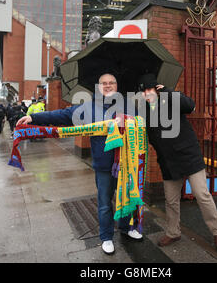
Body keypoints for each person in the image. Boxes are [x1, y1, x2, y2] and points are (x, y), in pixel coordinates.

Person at [16, 73, 142, 255]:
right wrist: (34, 119)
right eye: (104, 83)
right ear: (99, 87)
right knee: (105, 203)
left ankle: (126, 228)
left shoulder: (128, 106)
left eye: (111, 83)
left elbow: (141, 125)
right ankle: (106, 237)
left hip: (125, 164)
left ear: (116, 86)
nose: (108, 86)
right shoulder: (89, 107)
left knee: (126, 197)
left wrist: (131, 122)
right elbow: (62, 115)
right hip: (104, 166)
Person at [137, 73, 217, 251]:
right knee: (171, 200)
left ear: (157, 89)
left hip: (189, 156)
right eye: (143, 91)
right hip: (169, 162)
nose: (147, 94)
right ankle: (173, 232)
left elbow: (190, 105)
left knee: (202, 194)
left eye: (150, 89)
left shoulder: (170, 99)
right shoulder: (145, 112)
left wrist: (169, 92)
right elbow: (146, 136)